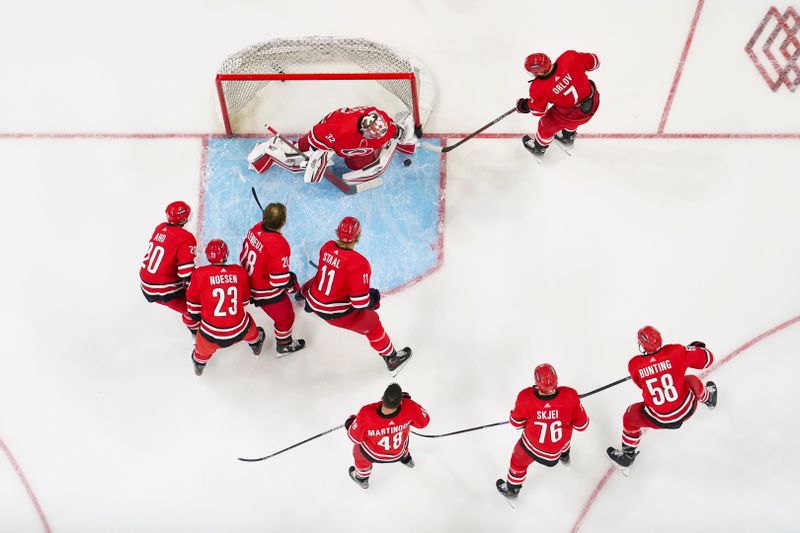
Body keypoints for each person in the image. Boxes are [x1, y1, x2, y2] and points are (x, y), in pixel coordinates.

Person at [301, 216, 412, 373]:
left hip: (313, 301)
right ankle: (391, 358)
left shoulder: (326, 247)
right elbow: (359, 303)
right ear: (358, 236)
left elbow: (324, 275)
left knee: (319, 277)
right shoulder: (359, 263)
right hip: (334, 313)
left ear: (337, 232)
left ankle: (303, 296)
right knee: (373, 323)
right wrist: (373, 299)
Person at [606, 326, 718, 473]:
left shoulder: (634, 365)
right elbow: (708, 359)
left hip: (659, 418)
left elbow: (641, 384)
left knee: (629, 417)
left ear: (641, 345)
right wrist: (695, 349)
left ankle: (627, 455)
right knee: (691, 380)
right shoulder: (677, 352)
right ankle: (709, 399)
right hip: (687, 408)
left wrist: (652, 370)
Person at [246, 106, 418, 185]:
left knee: (353, 164)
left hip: (349, 142)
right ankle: (269, 150)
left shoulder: (383, 122)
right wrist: (313, 156)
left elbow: (391, 132)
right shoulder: (339, 132)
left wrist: (402, 135)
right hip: (327, 133)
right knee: (299, 157)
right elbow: (316, 135)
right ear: (364, 131)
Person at [496, 363, 589, 503]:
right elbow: (582, 426)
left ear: (537, 382)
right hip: (560, 445)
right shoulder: (570, 395)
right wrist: (574, 403)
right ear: (557, 379)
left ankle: (512, 490)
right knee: (565, 434)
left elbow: (516, 424)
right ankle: (564, 457)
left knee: (518, 463)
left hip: (533, 447)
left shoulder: (525, 397)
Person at [183, 239, 265, 376]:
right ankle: (256, 345)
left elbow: (192, 309)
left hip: (211, 336)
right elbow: (244, 303)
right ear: (226, 254)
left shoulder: (199, 274)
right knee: (250, 326)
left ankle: (199, 366)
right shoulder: (239, 272)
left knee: (201, 353)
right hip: (241, 330)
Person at [239, 202, 305, 356]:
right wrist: (292, 285)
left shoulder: (255, 229)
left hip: (246, 279)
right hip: (262, 291)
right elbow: (279, 281)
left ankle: (259, 338)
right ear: (283, 222)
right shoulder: (279, 245)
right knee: (286, 317)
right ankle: (284, 345)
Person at [515, 51, 600, 157]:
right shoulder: (569, 57)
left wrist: (525, 105)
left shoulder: (538, 87)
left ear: (538, 72)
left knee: (546, 123)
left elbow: (538, 111)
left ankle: (538, 148)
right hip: (593, 101)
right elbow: (595, 62)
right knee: (571, 110)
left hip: (572, 116)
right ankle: (567, 136)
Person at [344, 383, 430, 489]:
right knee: (402, 437)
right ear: (401, 402)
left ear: (382, 397)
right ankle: (407, 459)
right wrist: (410, 404)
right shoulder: (409, 407)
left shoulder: (366, 413)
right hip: (399, 452)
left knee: (358, 451)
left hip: (373, 454)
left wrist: (350, 423)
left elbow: (354, 437)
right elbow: (424, 422)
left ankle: (362, 478)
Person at [139, 201, 197, 330]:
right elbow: (186, 273)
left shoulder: (159, 227)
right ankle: (194, 332)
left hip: (145, 285)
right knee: (195, 311)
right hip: (164, 290)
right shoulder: (186, 238)